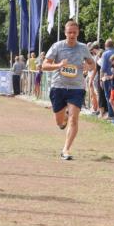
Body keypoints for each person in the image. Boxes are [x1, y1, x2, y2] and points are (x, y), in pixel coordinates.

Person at [40, 20, 96, 160]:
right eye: (69, 32)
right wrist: (59, 65)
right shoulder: (57, 46)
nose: (72, 35)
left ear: (78, 33)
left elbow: (92, 64)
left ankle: (66, 149)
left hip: (76, 88)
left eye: (74, 32)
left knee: (74, 119)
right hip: (58, 87)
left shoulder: (83, 48)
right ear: (65, 33)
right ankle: (63, 118)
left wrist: (88, 68)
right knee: (60, 122)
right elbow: (44, 66)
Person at [99, 39, 114, 122]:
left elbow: (103, 68)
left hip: (108, 77)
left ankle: (111, 114)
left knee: (109, 96)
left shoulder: (105, 54)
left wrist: (101, 79)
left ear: (106, 45)